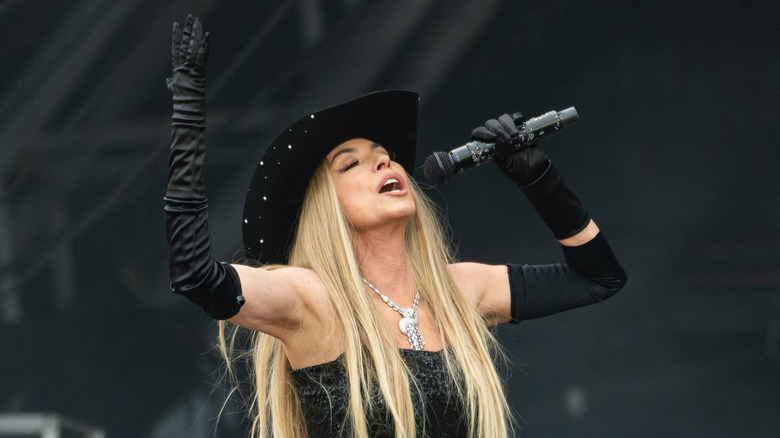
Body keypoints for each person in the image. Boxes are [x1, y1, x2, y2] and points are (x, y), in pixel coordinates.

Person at [164, 15, 627, 438]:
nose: (382, 159)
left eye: (382, 153)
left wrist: (539, 178)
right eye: (351, 164)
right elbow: (195, 276)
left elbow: (598, 278)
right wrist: (186, 116)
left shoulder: (458, 292)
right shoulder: (313, 300)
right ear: (328, 209)